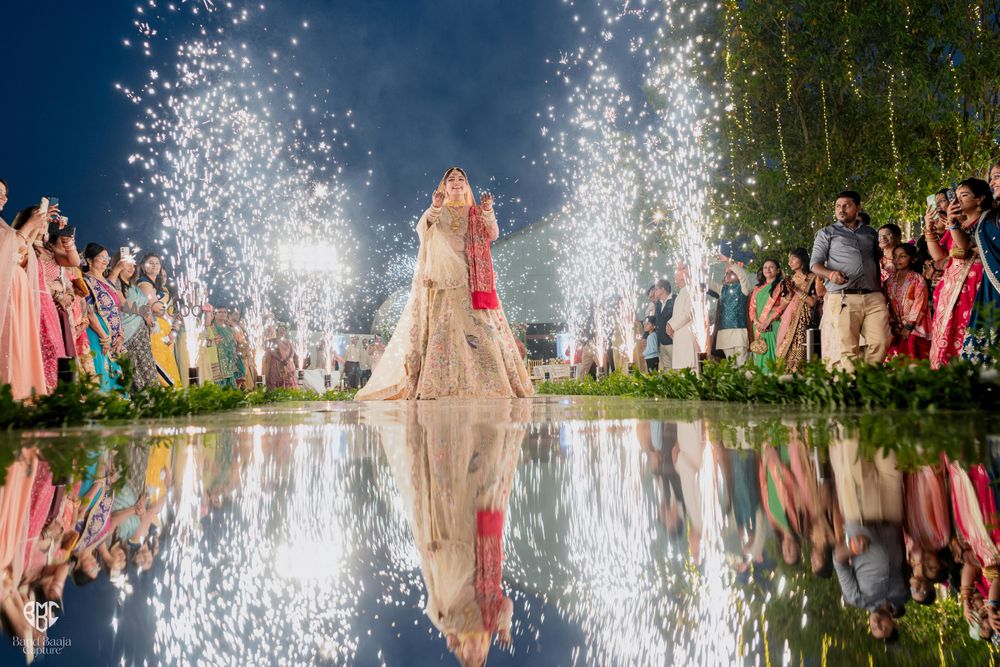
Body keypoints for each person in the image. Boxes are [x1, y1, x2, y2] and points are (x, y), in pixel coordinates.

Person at [356, 167, 532, 400]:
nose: (457, 182)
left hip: (473, 281)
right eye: (451, 180)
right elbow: (422, 231)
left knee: (483, 332)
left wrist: (488, 211)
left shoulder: (476, 212)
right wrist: (435, 208)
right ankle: (440, 385)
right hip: (443, 281)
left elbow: (494, 233)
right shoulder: (437, 211)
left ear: (466, 186)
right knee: (444, 331)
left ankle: (490, 384)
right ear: (445, 187)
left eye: (461, 179)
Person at [810, 190, 890, 371]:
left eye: (846, 205)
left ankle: (866, 379)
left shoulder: (870, 233)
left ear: (858, 207)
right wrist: (830, 275)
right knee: (848, 348)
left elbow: (877, 259)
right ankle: (853, 388)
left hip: (873, 296)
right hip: (844, 297)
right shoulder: (826, 233)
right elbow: (814, 264)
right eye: (838, 206)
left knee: (882, 341)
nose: (841, 209)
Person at [924, 178, 992, 368]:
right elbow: (939, 256)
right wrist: (929, 229)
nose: (958, 201)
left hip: (975, 286)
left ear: (979, 199)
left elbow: (964, 247)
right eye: (957, 196)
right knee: (947, 331)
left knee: (968, 334)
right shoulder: (959, 224)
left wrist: (953, 224)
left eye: (964, 195)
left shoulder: (986, 221)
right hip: (951, 288)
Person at [963, 162, 1000, 361]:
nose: (992, 182)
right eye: (991, 178)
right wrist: (952, 224)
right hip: (993, 286)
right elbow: (968, 246)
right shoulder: (988, 217)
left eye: (997, 177)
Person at [110, 250, 160, 391]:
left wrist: (152, 320)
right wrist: (144, 312)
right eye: (127, 265)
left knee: (147, 366)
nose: (131, 268)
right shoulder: (116, 284)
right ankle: (141, 401)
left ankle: (155, 399)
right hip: (128, 334)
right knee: (134, 369)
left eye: (133, 265)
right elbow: (122, 304)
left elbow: (145, 307)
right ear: (118, 265)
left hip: (142, 335)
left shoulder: (135, 287)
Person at [82, 244, 124, 392]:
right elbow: (88, 311)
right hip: (97, 333)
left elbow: (115, 309)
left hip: (114, 335)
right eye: (101, 257)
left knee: (115, 375)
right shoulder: (85, 280)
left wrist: (120, 333)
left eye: (107, 257)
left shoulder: (107, 282)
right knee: (101, 371)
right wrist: (104, 337)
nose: (105, 261)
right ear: (89, 260)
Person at [136, 253, 182, 387]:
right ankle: (163, 394)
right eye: (151, 262)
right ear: (144, 267)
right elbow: (156, 308)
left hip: (166, 331)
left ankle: (174, 397)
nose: (155, 265)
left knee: (168, 361)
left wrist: (174, 328)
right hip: (153, 329)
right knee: (158, 362)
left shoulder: (162, 289)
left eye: (157, 263)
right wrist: (171, 319)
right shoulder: (144, 283)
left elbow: (169, 312)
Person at [884, 243, 931, 360]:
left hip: (915, 325)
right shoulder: (889, 281)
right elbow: (886, 304)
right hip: (897, 326)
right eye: (895, 257)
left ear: (913, 259)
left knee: (912, 352)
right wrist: (893, 324)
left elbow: (920, 304)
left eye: (902, 256)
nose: (897, 260)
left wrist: (909, 326)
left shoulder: (918, 279)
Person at [774, 248, 818, 371]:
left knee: (803, 357)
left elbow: (813, 302)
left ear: (802, 259)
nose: (790, 262)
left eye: (793, 258)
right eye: (789, 259)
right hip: (789, 323)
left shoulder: (814, 278)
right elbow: (783, 305)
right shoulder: (788, 281)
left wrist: (797, 290)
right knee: (784, 357)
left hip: (805, 323)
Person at [711, 255, 752, 365]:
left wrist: (730, 263)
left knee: (742, 364)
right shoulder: (722, 289)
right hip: (724, 333)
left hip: (739, 331)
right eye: (727, 274)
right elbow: (708, 283)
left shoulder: (743, 288)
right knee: (731, 366)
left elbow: (743, 276)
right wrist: (699, 270)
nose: (729, 276)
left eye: (732, 273)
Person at [748, 259, 783, 370]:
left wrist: (769, 320)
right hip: (759, 328)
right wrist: (757, 322)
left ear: (778, 270)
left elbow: (782, 307)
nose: (767, 269)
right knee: (761, 359)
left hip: (774, 325)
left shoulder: (782, 286)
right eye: (765, 267)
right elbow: (752, 309)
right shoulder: (757, 289)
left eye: (771, 267)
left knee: (775, 358)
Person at [666, 264, 699, 371]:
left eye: (681, 269)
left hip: (688, 336)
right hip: (679, 336)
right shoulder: (681, 293)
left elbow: (688, 312)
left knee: (690, 370)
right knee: (682, 370)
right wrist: (670, 325)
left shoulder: (691, 290)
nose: (676, 280)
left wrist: (671, 325)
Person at [264, 323, 297, 389]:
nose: (282, 331)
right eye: (280, 329)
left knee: (289, 380)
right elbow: (272, 351)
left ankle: (288, 393)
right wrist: (281, 359)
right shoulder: (273, 341)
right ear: (277, 330)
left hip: (287, 363)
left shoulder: (288, 342)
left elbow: (292, 352)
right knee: (277, 380)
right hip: (277, 363)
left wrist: (288, 359)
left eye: (283, 330)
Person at [653, 279, 674, 371]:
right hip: (661, 342)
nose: (654, 291)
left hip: (672, 340)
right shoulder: (658, 304)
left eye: (656, 289)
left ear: (663, 289)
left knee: (676, 367)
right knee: (667, 368)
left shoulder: (674, 300)